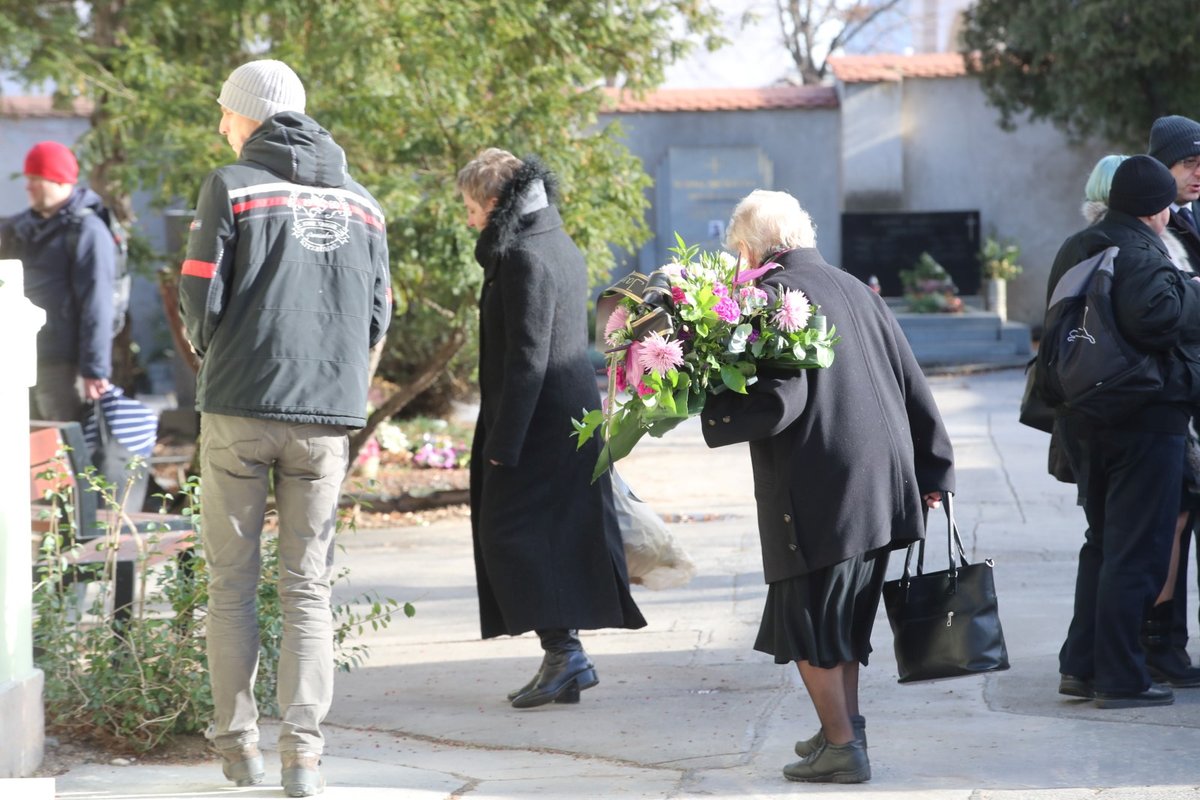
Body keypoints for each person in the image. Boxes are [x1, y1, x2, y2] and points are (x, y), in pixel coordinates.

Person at [178, 59, 392, 797]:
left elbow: (198, 291)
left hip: (238, 408)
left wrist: (214, 353)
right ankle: (304, 754)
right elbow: (378, 319)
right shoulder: (365, 205)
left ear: (251, 118)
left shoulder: (230, 187)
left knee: (231, 587)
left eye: (225, 113)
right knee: (307, 591)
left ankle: (239, 751)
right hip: (325, 421)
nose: (220, 126)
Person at [702, 190, 954, 784]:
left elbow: (780, 404)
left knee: (809, 622)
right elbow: (910, 378)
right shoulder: (852, 287)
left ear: (750, 246)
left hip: (821, 488)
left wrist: (710, 401)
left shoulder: (773, 297)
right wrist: (934, 468)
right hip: (881, 486)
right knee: (845, 618)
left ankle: (843, 746)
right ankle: (843, 728)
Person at [455, 148, 646, 710]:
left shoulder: (523, 256)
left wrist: (503, 443)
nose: (467, 217)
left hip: (538, 424)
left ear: (494, 202)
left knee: (513, 539)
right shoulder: (554, 241)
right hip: (564, 417)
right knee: (548, 540)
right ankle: (564, 658)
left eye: (470, 206)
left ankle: (566, 655)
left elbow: (528, 357)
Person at [1052, 155, 1200, 709]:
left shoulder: (1081, 242)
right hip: (1145, 417)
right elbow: (1157, 316)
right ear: (1155, 208)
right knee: (1137, 551)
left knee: (1104, 544)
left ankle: (1082, 665)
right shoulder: (1141, 250)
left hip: (1085, 414)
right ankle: (1121, 675)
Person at [0, 140, 114, 421]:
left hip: (63, 365)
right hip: (20, 355)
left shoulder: (87, 230)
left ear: (59, 180)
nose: (28, 187)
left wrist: (94, 369)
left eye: (36, 180)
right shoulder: (21, 227)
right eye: (28, 180)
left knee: (62, 450)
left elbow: (97, 304)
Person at [1148, 115, 1200, 682]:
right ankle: (1165, 646)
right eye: (1189, 162)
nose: (1198, 173)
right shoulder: (1152, 227)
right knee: (1174, 524)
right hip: (1175, 400)